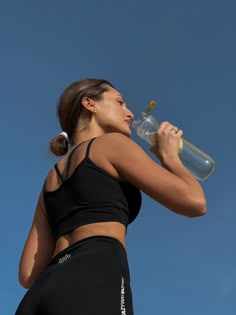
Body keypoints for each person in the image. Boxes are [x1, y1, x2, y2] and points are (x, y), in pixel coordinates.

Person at [15, 78, 207, 315]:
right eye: (120, 102)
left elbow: (27, 275)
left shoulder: (50, 179)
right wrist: (170, 159)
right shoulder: (112, 144)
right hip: (95, 275)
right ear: (89, 104)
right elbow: (194, 202)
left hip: (40, 296)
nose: (129, 113)